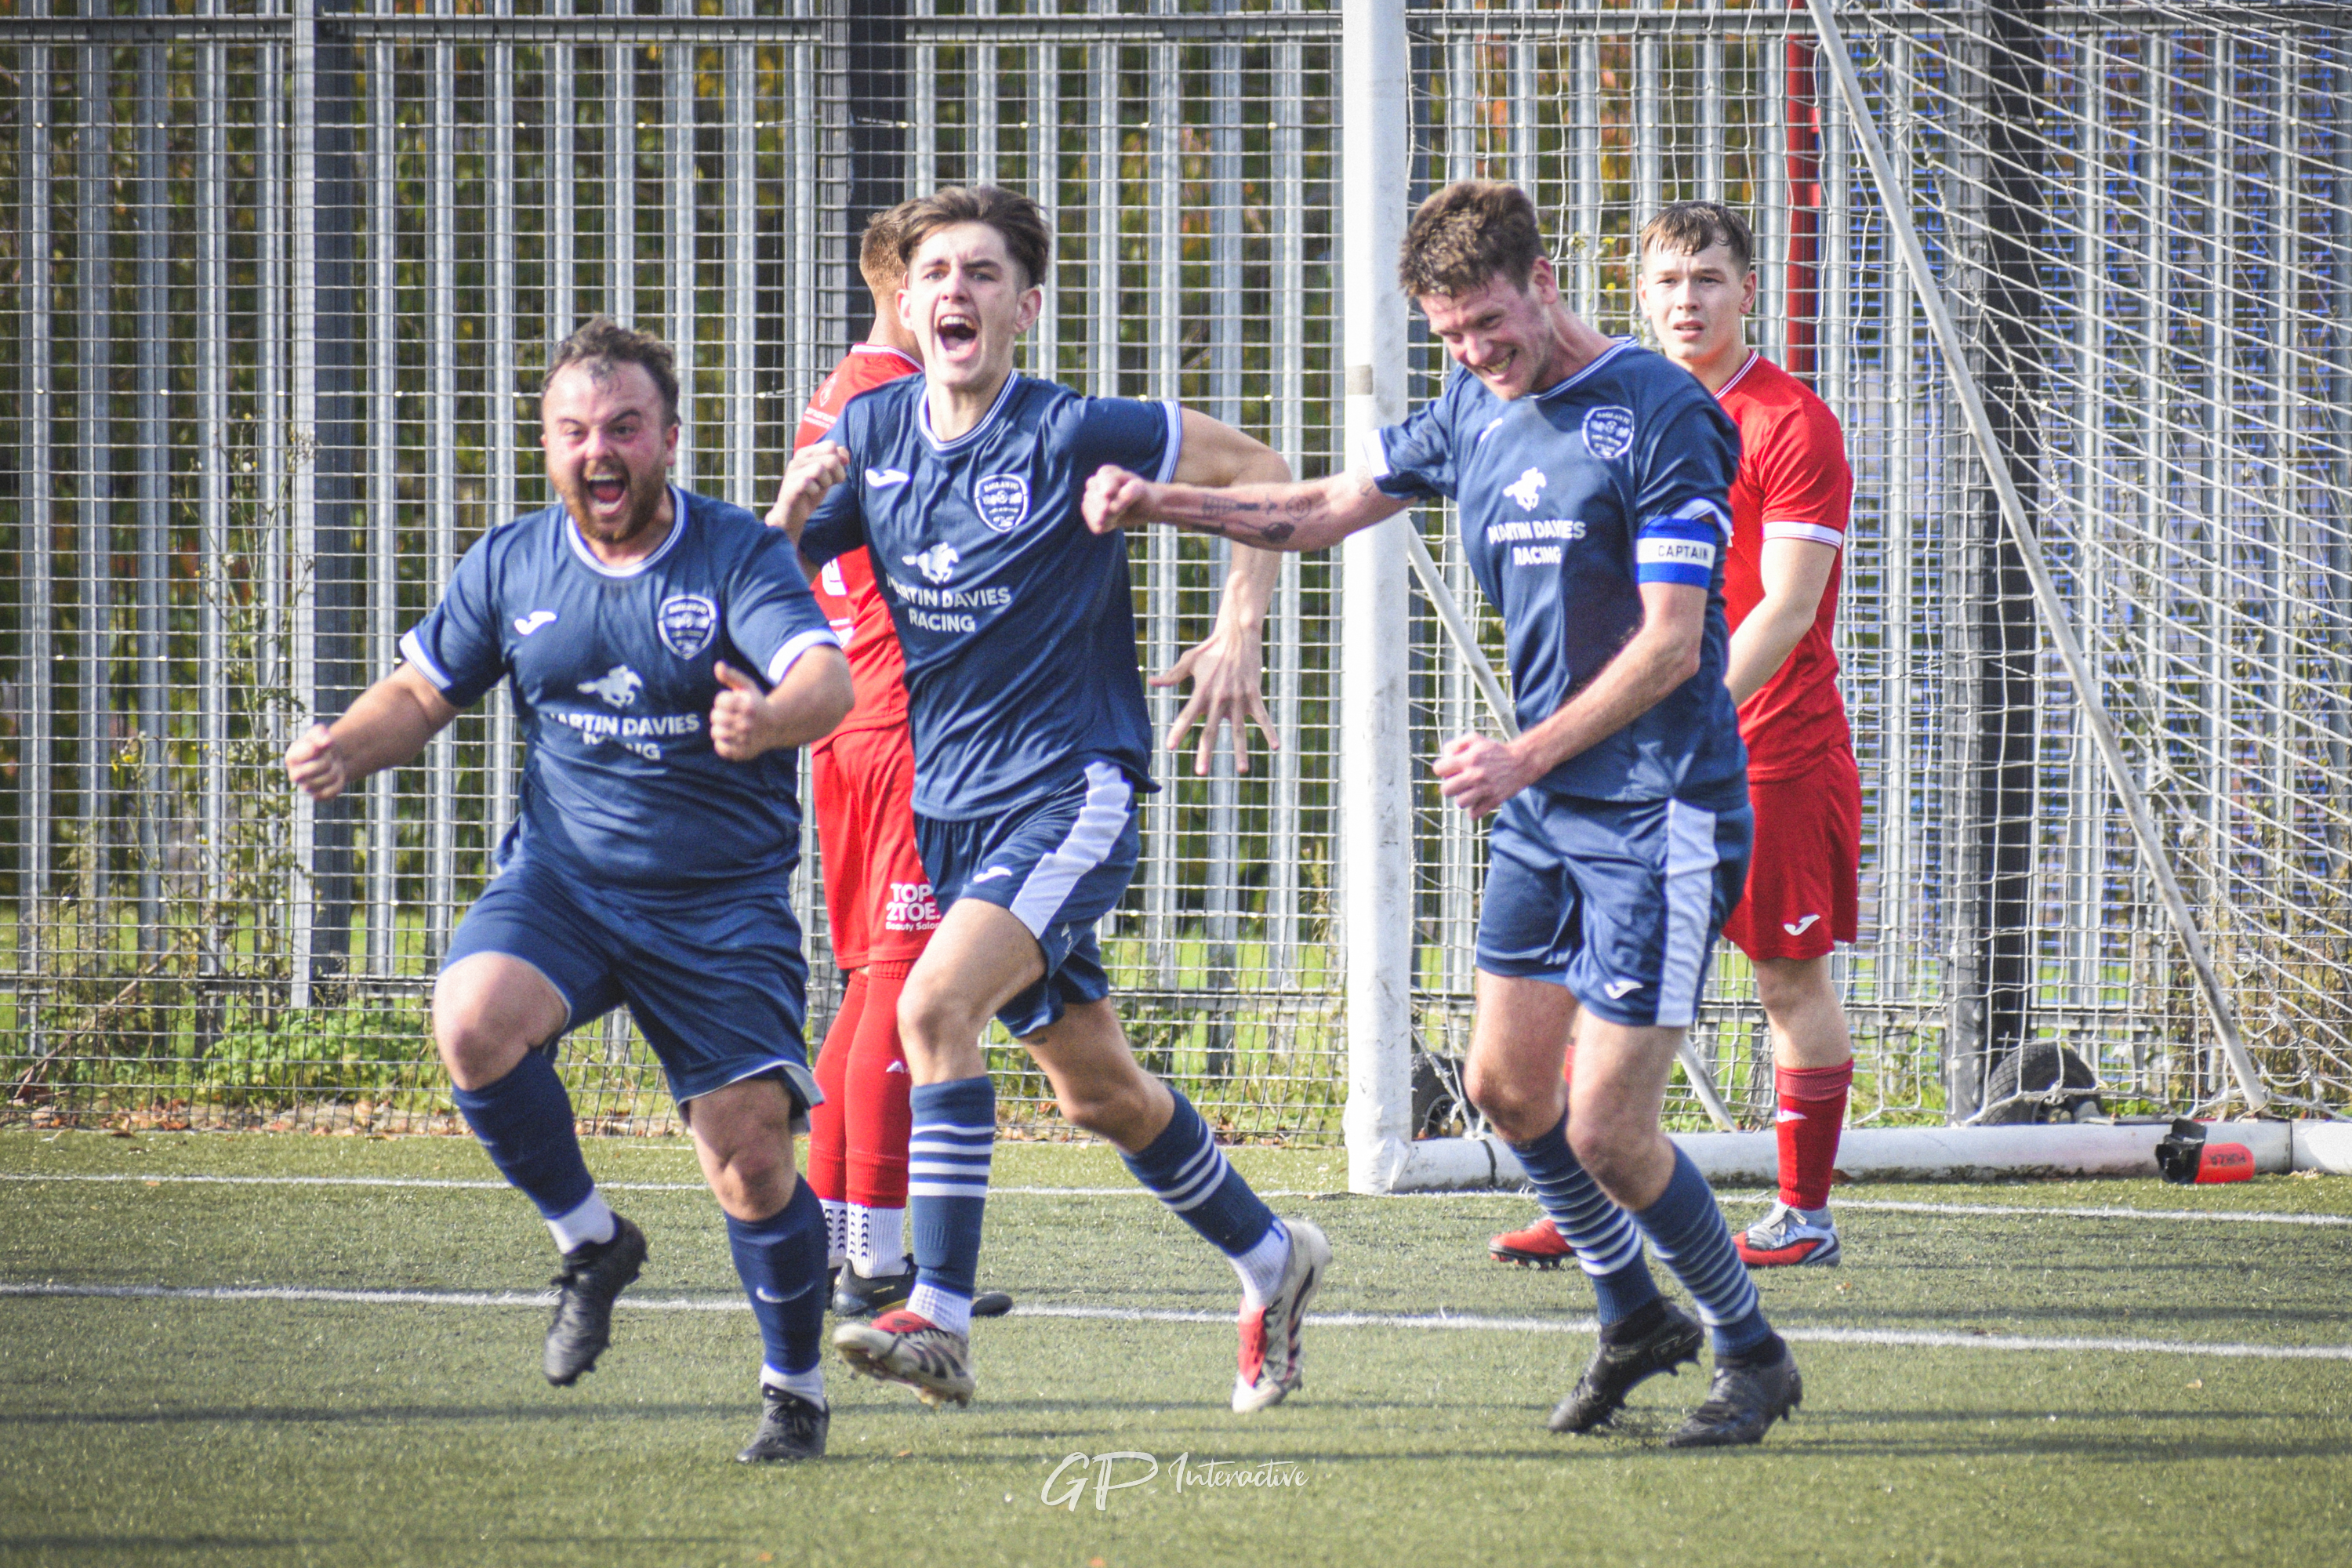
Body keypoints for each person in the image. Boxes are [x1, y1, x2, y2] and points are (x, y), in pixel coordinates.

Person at [1082, 180, 1801, 1447]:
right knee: (1507, 1093)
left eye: (1487, 324)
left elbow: (1677, 647)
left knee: (1611, 1129)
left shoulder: (1662, 412)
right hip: (1545, 809)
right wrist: (1166, 505)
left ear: (1542, 278)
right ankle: (1636, 1317)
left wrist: (1521, 755)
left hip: (1661, 813)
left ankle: (1750, 1348)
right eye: (1448, 335)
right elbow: (1317, 511)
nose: (1472, 354)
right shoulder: (1473, 403)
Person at [768, 185, 1325, 1415]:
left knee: (930, 1004)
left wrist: (1239, 631)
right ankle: (1273, 1259)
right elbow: (778, 586)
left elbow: (1266, 472)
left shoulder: (1073, 430)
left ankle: (941, 1319)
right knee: (1099, 1092)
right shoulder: (873, 434)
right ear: (903, 302)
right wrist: (786, 520)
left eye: (981, 273)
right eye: (935, 275)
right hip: (952, 804)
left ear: (1026, 303)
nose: (955, 292)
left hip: (1071, 786)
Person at [285, 318, 855, 1465]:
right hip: (564, 884)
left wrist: (769, 718)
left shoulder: (736, 554)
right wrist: (347, 743)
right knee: (471, 1021)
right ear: (547, 445)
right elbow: (423, 688)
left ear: (669, 440)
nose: (601, 450)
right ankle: (592, 1244)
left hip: (717, 902)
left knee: (749, 1164)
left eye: (625, 428)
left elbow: (825, 678)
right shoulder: (512, 562)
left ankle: (794, 1388)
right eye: (575, 431)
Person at [1490, 201, 1860, 1274]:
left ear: (1748, 290)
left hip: (1770, 748)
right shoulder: (1614, 410)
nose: (1685, 301)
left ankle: (1804, 1213)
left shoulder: (1792, 422)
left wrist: (1684, 707)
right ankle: (1589, 1197)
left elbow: (1786, 609)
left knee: (1788, 977)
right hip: (1627, 755)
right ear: (1638, 298)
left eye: (1705, 278)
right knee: (1588, 970)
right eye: (1664, 283)